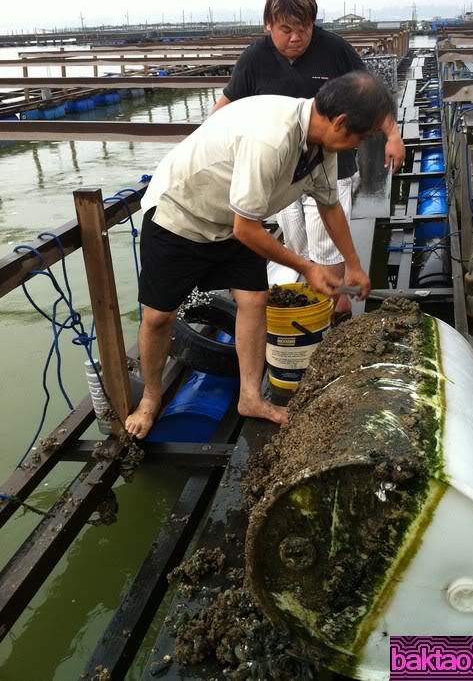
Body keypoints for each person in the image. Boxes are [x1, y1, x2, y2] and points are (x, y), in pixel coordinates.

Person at [125, 71, 397, 439]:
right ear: (340, 122)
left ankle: (250, 398)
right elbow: (247, 230)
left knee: (255, 299)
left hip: (234, 216)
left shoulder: (321, 144)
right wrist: (307, 267)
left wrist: (353, 265)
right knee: (159, 317)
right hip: (182, 214)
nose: (356, 146)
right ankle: (150, 400)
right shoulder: (272, 139)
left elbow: (330, 205)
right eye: (360, 139)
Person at [213, 0, 405, 321]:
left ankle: (336, 312)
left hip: (333, 165)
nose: (296, 38)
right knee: (296, 244)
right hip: (279, 172)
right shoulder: (254, 59)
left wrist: (393, 135)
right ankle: (316, 299)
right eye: (286, 30)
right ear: (268, 25)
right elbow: (226, 106)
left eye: (304, 29)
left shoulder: (335, 50)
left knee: (325, 243)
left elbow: (371, 96)